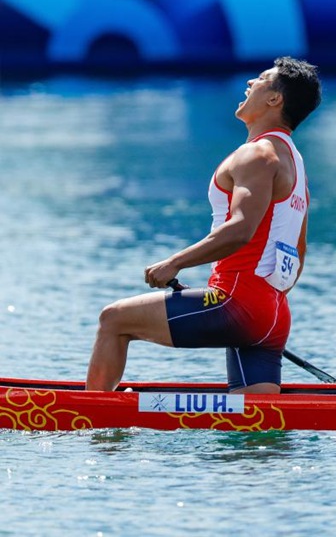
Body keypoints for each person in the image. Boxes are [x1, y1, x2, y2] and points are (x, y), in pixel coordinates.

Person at [86, 57, 322, 393]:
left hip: (234, 304)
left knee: (114, 320)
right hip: (273, 314)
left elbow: (241, 228)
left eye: (260, 79)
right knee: (257, 434)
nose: (250, 84)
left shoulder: (256, 155)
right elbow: (298, 250)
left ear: (275, 99)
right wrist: (262, 305)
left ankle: (90, 419)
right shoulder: (295, 166)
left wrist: (175, 262)